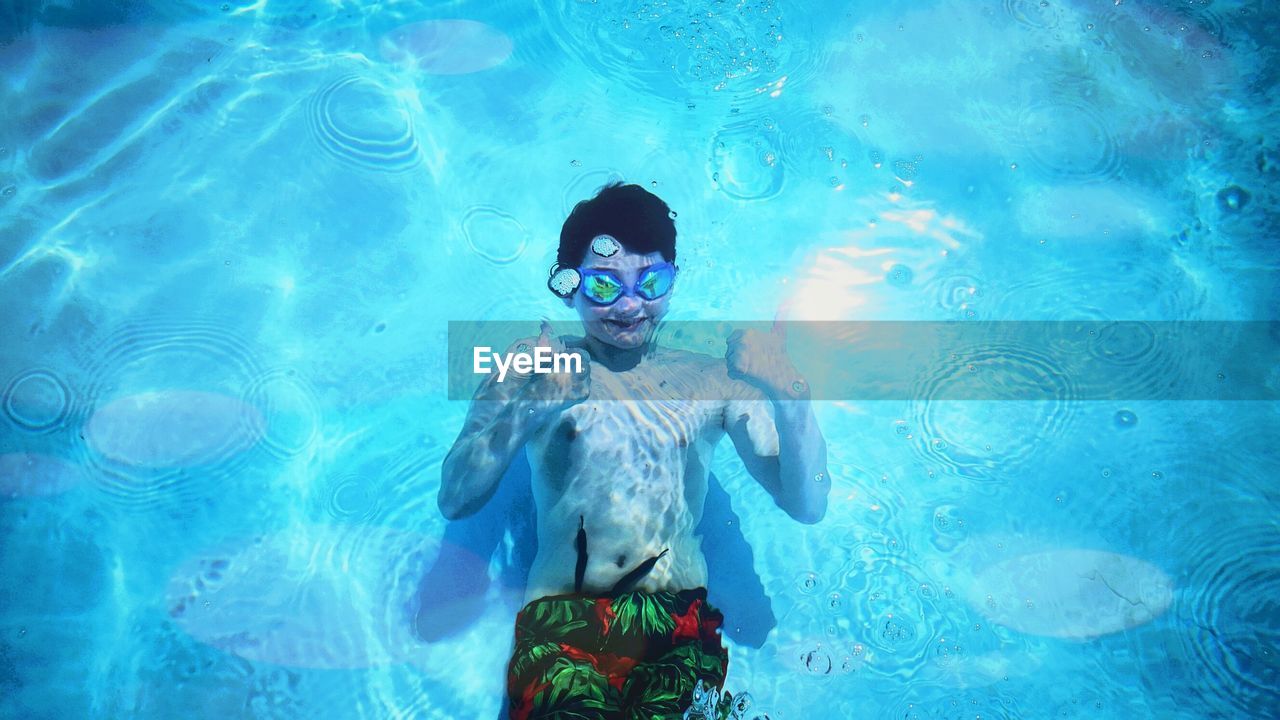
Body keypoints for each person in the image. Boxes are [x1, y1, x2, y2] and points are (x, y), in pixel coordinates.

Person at [437, 182, 830, 720]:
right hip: (563, 622)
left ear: (672, 280)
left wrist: (790, 393)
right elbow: (455, 497)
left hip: (677, 625)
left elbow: (807, 504)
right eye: (603, 286)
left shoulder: (712, 379)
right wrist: (530, 409)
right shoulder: (527, 366)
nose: (629, 306)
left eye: (651, 283)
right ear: (567, 286)